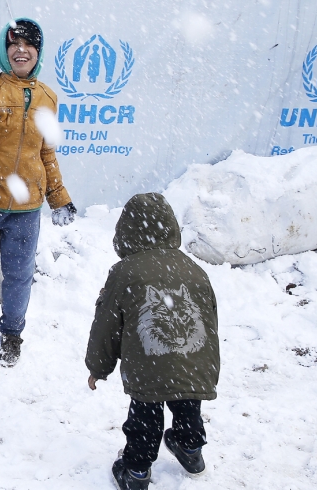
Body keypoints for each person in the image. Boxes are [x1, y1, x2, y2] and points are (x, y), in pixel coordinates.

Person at [0, 18, 77, 367]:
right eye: (13, 43)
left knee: (19, 274)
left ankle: (12, 334)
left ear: (38, 52)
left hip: (27, 208)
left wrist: (59, 196)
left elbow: (46, 153)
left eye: (29, 43)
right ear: (4, 50)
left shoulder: (48, 97)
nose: (21, 49)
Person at [85, 193, 220, 490]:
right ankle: (191, 450)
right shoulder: (193, 270)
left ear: (125, 232)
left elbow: (106, 325)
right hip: (194, 357)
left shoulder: (125, 272)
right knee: (187, 400)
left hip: (148, 358)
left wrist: (98, 366)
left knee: (145, 413)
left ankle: (135, 471)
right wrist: (205, 366)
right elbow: (210, 323)